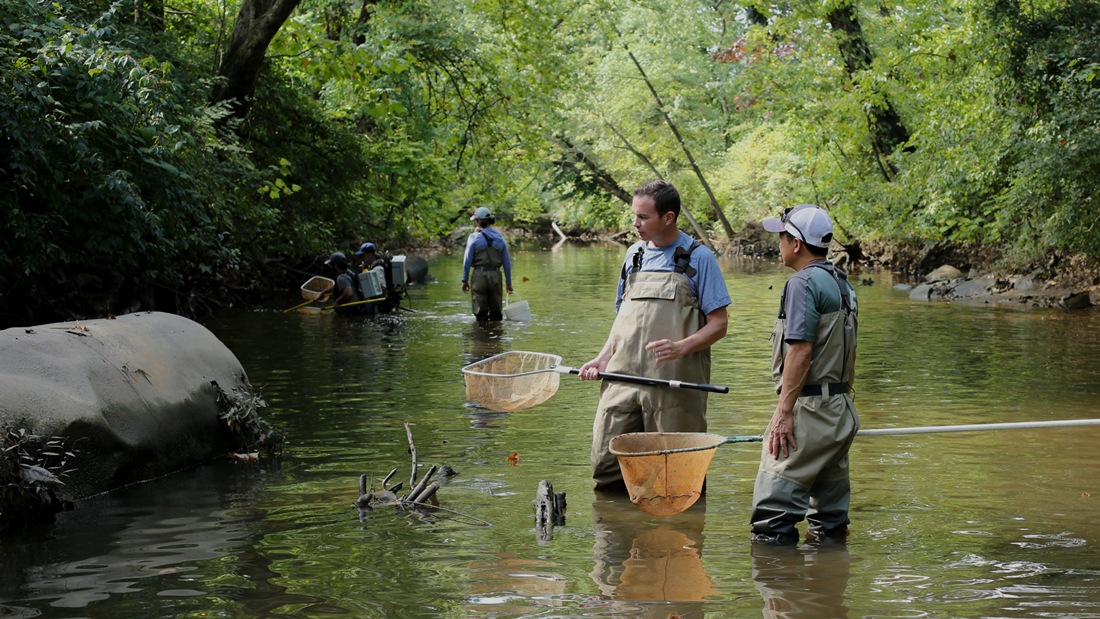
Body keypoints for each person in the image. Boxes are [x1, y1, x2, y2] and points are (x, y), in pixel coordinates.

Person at [579, 180, 731, 492]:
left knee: (677, 476)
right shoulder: (633, 255)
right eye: (634, 216)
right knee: (606, 466)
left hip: (673, 386)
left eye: (643, 217)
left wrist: (680, 347)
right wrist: (604, 356)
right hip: (622, 379)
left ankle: (680, 537)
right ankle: (618, 531)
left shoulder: (699, 258)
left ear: (668, 217)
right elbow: (623, 316)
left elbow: (719, 324)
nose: (635, 224)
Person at [750, 204, 859, 544]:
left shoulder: (802, 283)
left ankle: (779, 591)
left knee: (772, 520)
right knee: (830, 521)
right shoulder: (842, 284)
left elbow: (800, 350)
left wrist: (784, 414)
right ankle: (826, 591)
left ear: (796, 243)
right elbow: (850, 355)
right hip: (840, 410)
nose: (778, 244)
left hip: (808, 414)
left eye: (781, 236)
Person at [461, 207, 513, 321]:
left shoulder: (474, 237)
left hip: (479, 275)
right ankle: (496, 334)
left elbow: (467, 260)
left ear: (478, 221)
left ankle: (482, 335)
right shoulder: (500, 237)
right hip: (496, 275)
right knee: (496, 312)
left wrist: (464, 280)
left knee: (480, 312)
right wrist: (508, 283)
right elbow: (507, 262)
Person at [316, 252, 374, 316]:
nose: (330, 267)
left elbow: (348, 293)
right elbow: (339, 286)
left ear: (335, 265)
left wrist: (337, 302)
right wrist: (324, 292)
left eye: (331, 265)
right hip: (360, 308)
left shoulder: (341, 278)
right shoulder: (349, 272)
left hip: (353, 312)